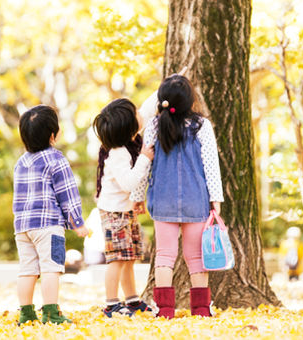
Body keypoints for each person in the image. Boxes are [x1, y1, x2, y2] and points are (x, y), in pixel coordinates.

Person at [131, 74, 224, 318]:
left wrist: (137, 196)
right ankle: (202, 310)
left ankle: (165, 310)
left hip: (163, 200)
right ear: (190, 100)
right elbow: (211, 165)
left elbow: (145, 162)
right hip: (196, 201)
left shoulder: (153, 126)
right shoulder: (202, 126)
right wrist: (216, 198)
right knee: (196, 257)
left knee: (164, 255)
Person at [13, 105, 89, 325]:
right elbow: (68, 193)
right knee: (51, 269)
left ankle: (26, 314)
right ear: (53, 135)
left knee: (27, 270)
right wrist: (77, 223)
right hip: (48, 226)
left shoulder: (21, 163)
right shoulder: (55, 159)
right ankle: (51, 313)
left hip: (23, 227)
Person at [93, 98, 155, 317]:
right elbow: (129, 182)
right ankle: (111, 303)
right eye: (135, 113)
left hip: (124, 210)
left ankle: (132, 299)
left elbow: (148, 108)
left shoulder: (126, 144)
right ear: (129, 129)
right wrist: (145, 158)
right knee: (117, 259)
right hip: (114, 213)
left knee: (129, 256)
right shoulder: (118, 153)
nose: (140, 114)